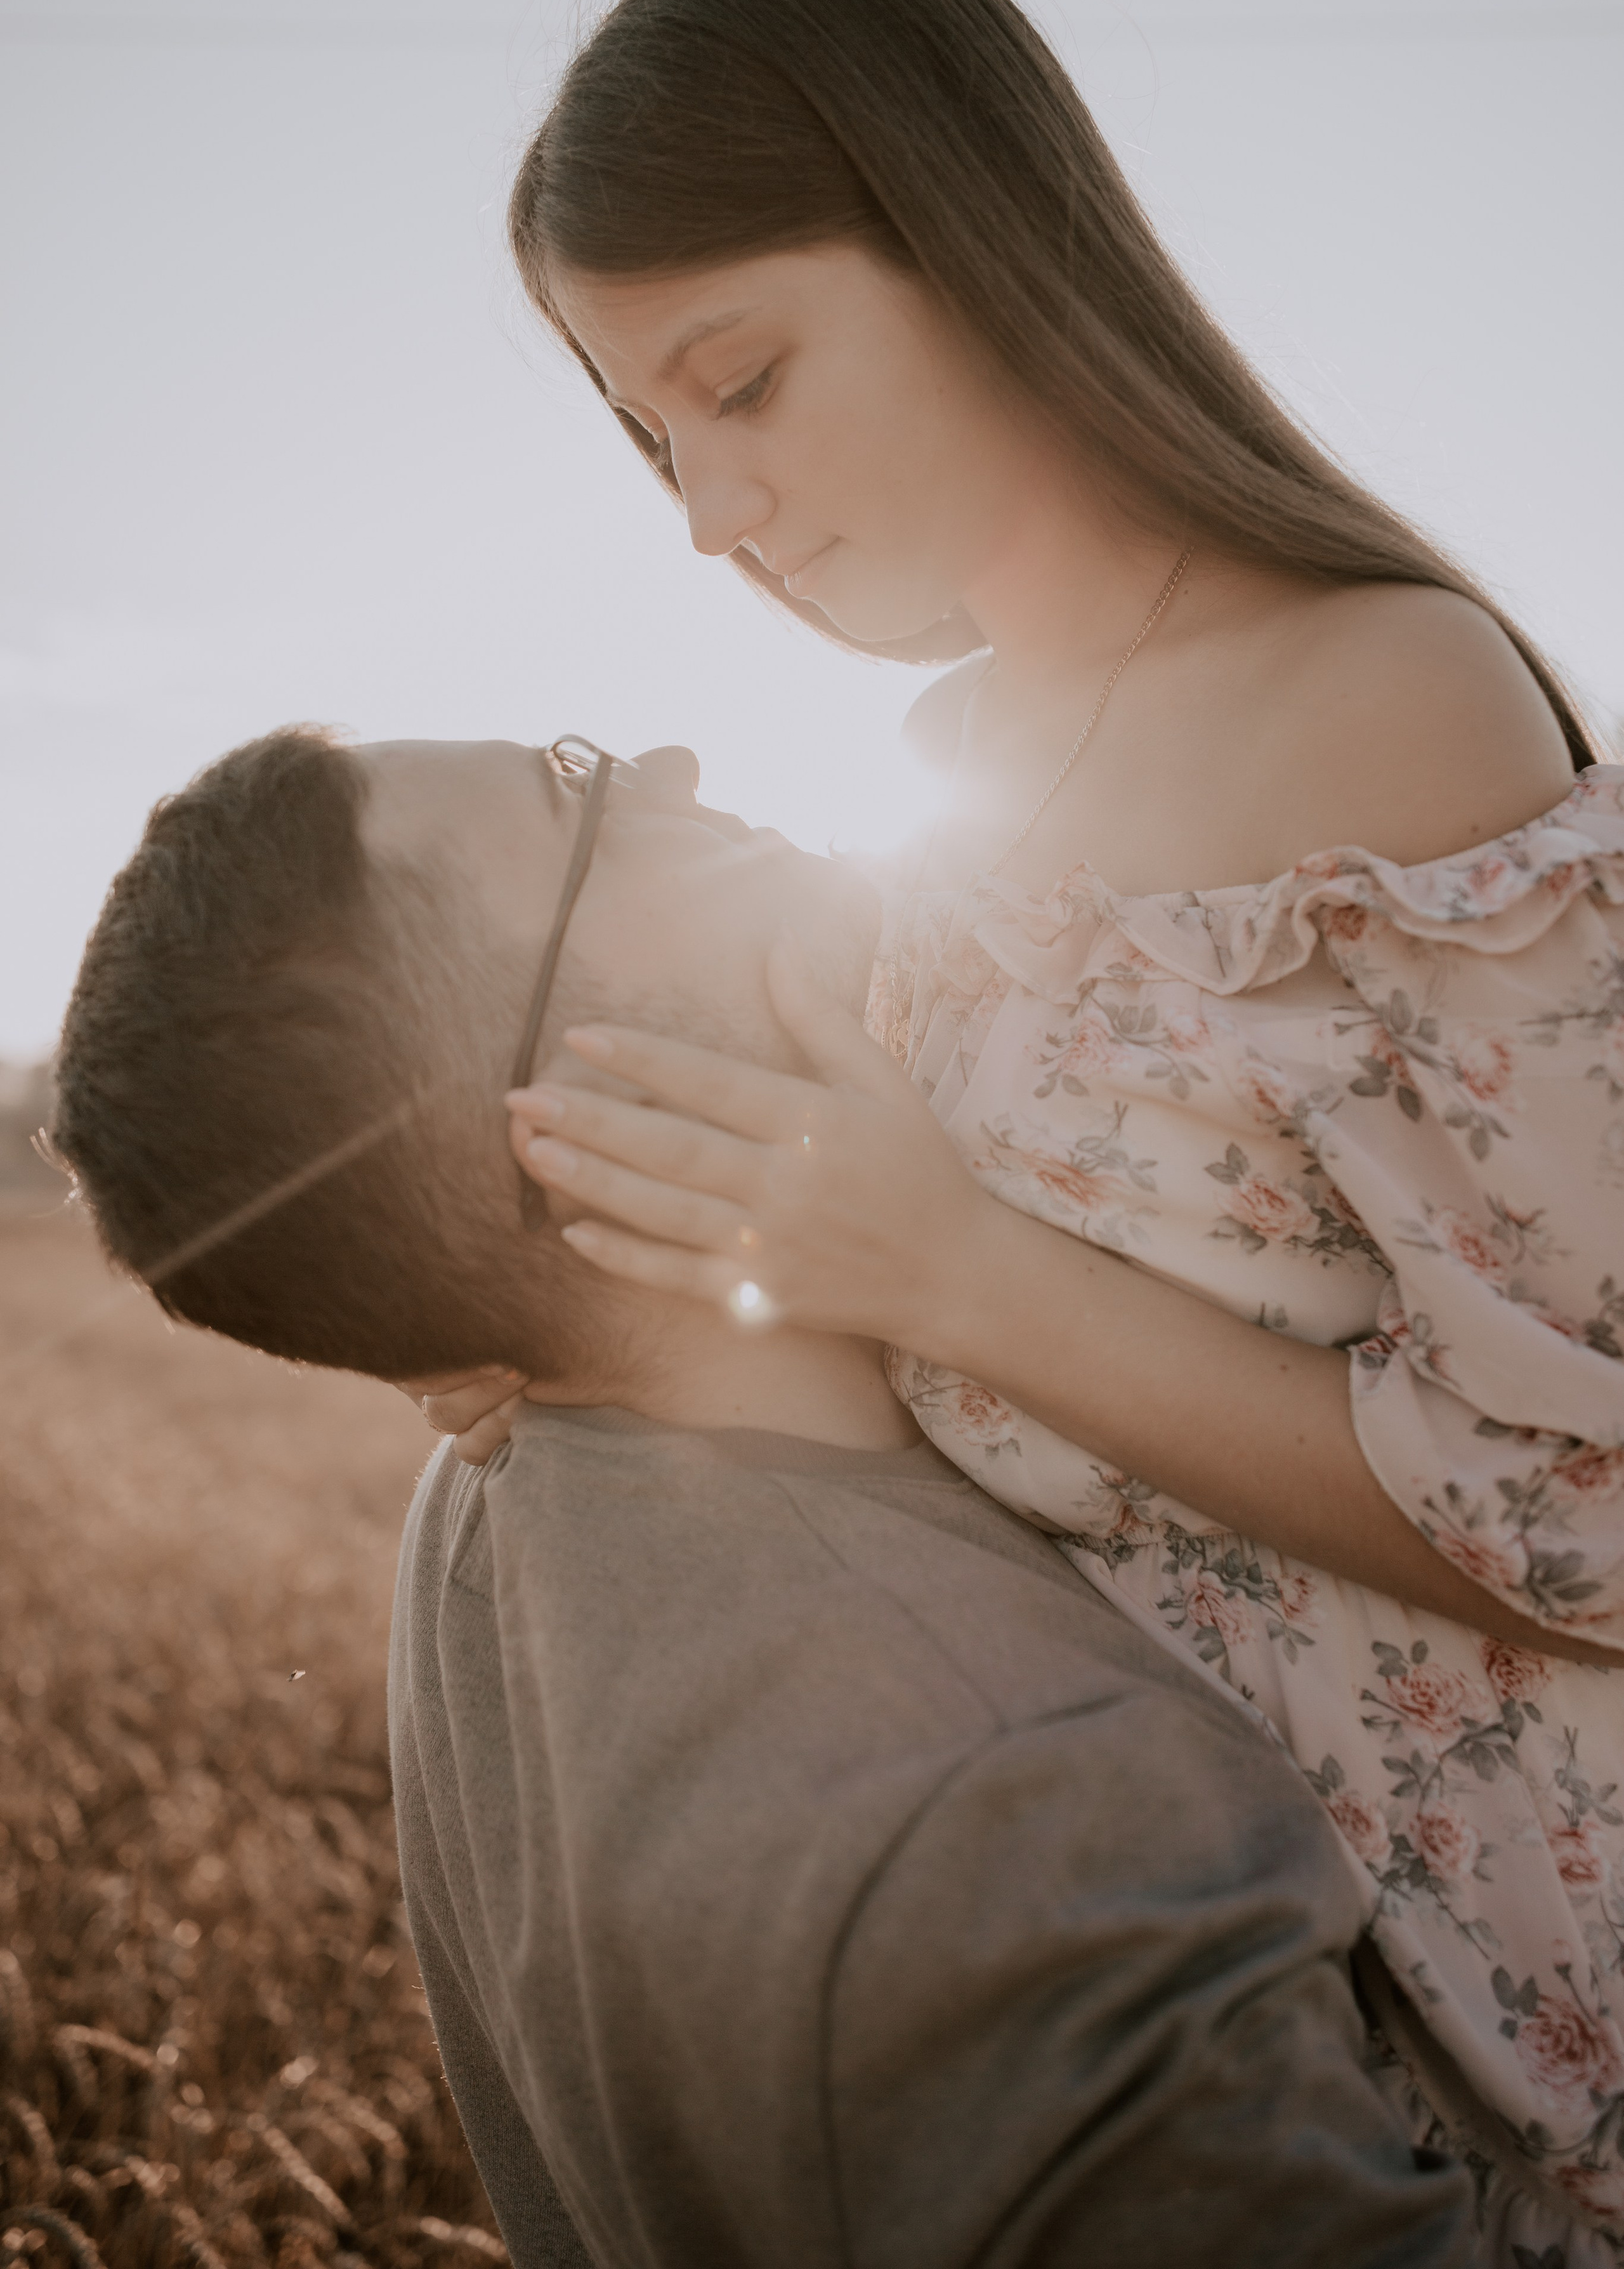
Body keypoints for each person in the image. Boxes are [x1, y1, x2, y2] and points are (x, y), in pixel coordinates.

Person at [458, 0, 1624, 2264]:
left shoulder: (1386, 698)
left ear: (972, 233)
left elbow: (1600, 1506)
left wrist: (959, 1271)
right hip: (1168, 1987)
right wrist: (553, 1317)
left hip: (1521, 2025)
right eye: (650, 434)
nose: (709, 518)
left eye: (742, 381)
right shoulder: (937, 778)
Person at [49, 725, 1479, 2267]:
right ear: (578, 1131)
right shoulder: (1010, 1818)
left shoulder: (474, 1513)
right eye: (577, 799)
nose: (663, 766)